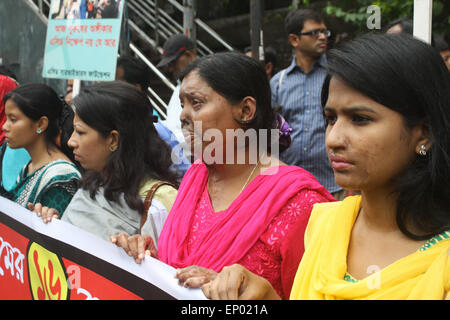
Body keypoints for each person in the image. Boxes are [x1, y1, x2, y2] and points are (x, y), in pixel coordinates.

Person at [202, 33, 450, 300]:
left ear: (424, 132)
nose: (333, 139)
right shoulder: (325, 224)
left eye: (360, 119)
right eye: (331, 118)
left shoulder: (442, 263)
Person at [111, 52, 335, 299]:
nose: (183, 115)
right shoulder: (196, 177)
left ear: (246, 109)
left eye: (196, 103)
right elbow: (181, 270)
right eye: (183, 104)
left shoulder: (300, 203)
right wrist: (151, 259)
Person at [31, 81, 179, 244]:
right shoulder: (92, 182)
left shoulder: (161, 201)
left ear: (113, 139)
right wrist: (53, 225)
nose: (71, 141)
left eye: (80, 132)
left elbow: (165, 264)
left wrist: (134, 252)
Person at [270, 9, 342, 199]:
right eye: (314, 32)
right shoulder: (278, 83)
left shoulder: (337, 77)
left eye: (324, 32)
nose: (322, 37)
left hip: (333, 184)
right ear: (294, 40)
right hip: (289, 186)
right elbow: (267, 131)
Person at [2, 83, 81, 213]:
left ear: (41, 124)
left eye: (13, 119)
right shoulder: (31, 165)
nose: (5, 126)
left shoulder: (59, 177)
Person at [115, 55, 190, 180]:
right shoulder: (109, 125)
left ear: (136, 88)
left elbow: (184, 175)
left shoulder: (157, 132)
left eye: (116, 82)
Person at [157, 34, 198, 146]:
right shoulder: (179, 87)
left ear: (188, 55)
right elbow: (173, 124)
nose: (170, 68)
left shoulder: (207, 83)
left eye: (173, 62)